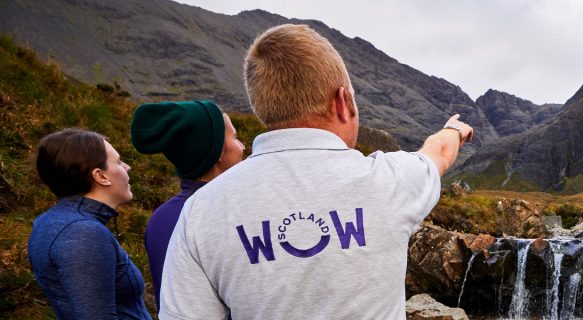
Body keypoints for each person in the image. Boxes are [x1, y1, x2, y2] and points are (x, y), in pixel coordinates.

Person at [158, 24, 474, 319]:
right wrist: (454, 130)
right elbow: (438, 152)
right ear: (343, 101)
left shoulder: (200, 212)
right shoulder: (390, 180)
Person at [129, 100, 245, 310]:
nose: (243, 147)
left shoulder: (161, 218)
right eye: (235, 138)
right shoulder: (226, 213)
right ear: (218, 151)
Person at [27, 128, 151, 320]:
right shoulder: (82, 233)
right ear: (101, 176)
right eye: (118, 162)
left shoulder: (54, 222)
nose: (127, 167)